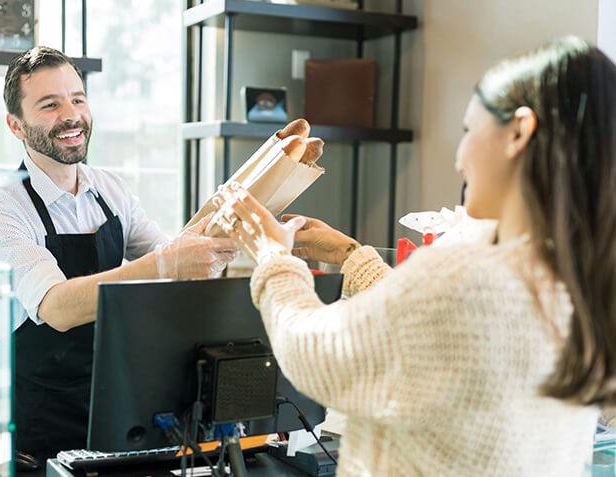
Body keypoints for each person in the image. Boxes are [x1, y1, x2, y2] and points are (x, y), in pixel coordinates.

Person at [212, 36, 615, 476]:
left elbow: (316, 356)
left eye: (467, 131)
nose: (460, 159)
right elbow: (435, 334)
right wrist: (351, 255)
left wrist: (272, 257)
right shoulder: (580, 278)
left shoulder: (472, 271)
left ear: (518, 131)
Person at [0, 46, 236, 464]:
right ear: (15, 125)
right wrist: (168, 263)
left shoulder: (111, 191)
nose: (71, 115)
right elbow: (56, 306)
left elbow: (174, 263)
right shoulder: (1, 210)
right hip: (41, 433)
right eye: (50, 104)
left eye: (78, 99)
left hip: (119, 411)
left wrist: (232, 228)